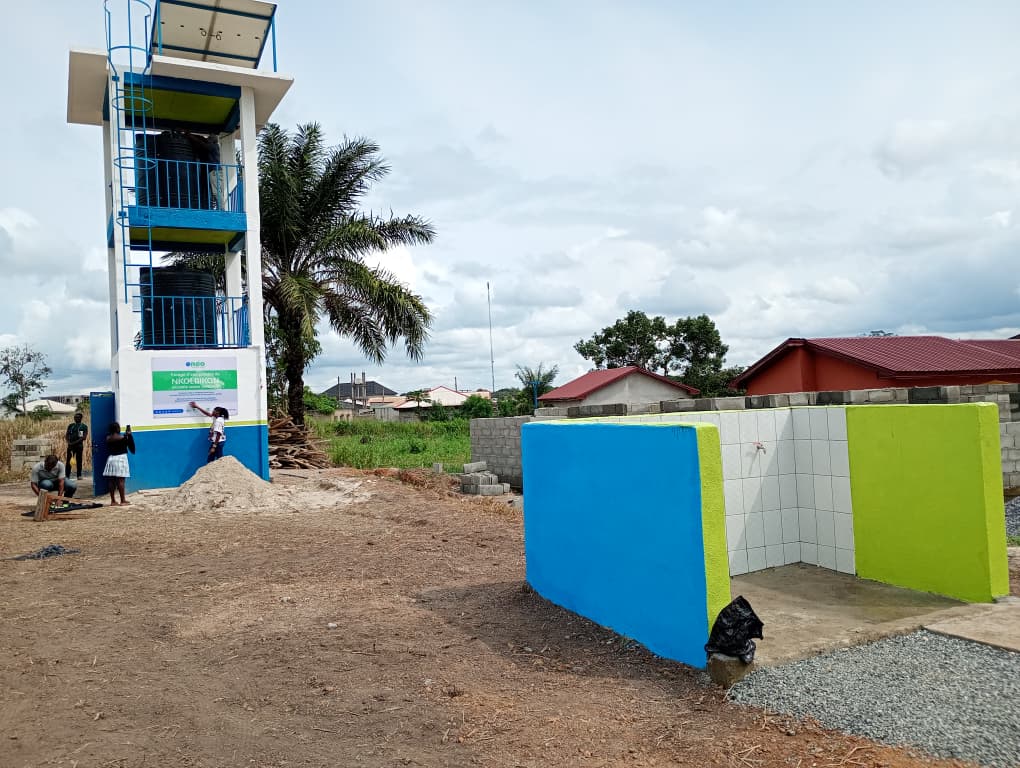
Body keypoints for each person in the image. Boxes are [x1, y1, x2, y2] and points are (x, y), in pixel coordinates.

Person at [184, 131, 223, 210]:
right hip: (215, 171)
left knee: (216, 192)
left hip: (214, 171)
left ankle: (221, 209)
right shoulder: (214, 146)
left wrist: (190, 135)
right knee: (215, 191)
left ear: (213, 140)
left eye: (209, 138)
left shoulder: (213, 146)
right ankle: (219, 208)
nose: (207, 139)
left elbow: (203, 144)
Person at [103, 422, 135, 506]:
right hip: (121, 459)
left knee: (111, 480)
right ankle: (123, 500)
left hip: (111, 459)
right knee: (121, 480)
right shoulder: (123, 438)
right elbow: (132, 449)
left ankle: (113, 501)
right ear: (118, 429)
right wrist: (129, 435)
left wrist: (126, 436)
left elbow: (115, 442)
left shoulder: (108, 438)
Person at [65, 411, 89, 480]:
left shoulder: (83, 426)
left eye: (77, 417)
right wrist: (68, 442)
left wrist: (74, 443)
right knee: (69, 461)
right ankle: (67, 475)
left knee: (79, 460)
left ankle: (79, 475)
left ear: (81, 418)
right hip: (70, 446)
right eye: (75, 417)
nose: (76, 418)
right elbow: (67, 434)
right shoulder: (71, 425)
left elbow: (83, 437)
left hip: (78, 446)